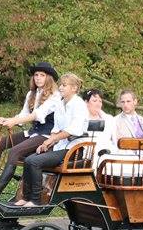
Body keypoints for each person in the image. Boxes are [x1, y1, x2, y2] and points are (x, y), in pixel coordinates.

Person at [0, 61, 62, 198]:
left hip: (47, 137)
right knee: (0, 143)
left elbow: (37, 115)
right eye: (36, 75)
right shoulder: (31, 94)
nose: (38, 78)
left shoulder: (55, 96)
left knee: (14, 151)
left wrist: (14, 121)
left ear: (49, 78)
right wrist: (8, 120)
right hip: (33, 133)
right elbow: (24, 114)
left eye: (42, 75)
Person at [14, 73, 89, 207]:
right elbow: (56, 128)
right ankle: (25, 197)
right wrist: (46, 143)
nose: (60, 87)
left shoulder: (78, 105)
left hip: (73, 150)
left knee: (35, 162)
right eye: (60, 85)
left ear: (74, 88)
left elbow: (72, 130)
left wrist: (51, 141)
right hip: (60, 146)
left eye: (64, 85)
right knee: (28, 159)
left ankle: (36, 200)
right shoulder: (61, 103)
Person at [84, 88, 117, 158]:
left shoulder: (109, 119)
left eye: (100, 101)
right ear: (86, 102)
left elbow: (115, 139)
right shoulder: (81, 119)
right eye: (94, 101)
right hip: (88, 151)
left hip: (109, 150)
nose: (98, 104)